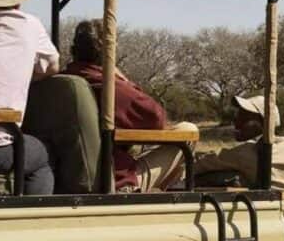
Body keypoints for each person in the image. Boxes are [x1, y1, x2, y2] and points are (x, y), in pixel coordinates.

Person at [64, 19, 194, 192]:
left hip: (67, 174)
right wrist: (123, 79)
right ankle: (160, 193)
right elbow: (157, 119)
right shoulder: (107, 84)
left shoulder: (63, 80)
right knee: (187, 130)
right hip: (113, 178)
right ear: (108, 51)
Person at [0, 0, 58, 194]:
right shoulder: (29, 24)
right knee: (42, 155)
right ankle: (33, 220)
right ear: (18, 3)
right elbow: (53, 66)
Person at [194, 95, 284, 191]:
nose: (237, 121)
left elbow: (203, 163)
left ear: (264, 122)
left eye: (245, 117)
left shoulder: (249, 152)